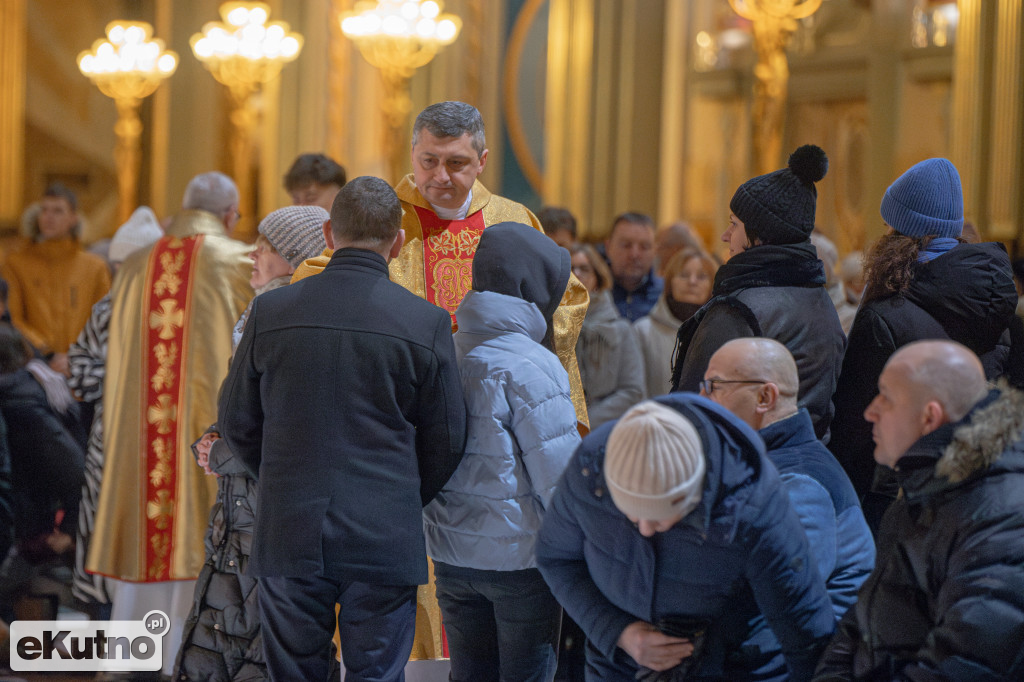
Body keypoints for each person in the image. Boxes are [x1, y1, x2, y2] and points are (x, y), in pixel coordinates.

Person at [217, 176, 467, 682]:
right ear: (397, 243)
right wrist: (401, 493)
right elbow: (448, 437)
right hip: (383, 527)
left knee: (296, 672)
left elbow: (236, 420)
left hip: (290, 523)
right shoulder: (426, 323)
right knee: (376, 674)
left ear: (329, 234)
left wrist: (281, 477)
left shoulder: (272, 310)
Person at [537, 396, 835, 681]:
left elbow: (804, 631)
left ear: (694, 495)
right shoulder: (591, 468)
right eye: (631, 514)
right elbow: (556, 558)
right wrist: (618, 632)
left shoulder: (754, 505)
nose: (645, 529)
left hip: (723, 670)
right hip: (614, 666)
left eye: (658, 517)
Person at [87, 172, 252, 677]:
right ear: (229, 215)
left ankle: (130, 658)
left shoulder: (135, 264)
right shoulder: (241, 263)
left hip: (141, 448)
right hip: (207, 443)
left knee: (148, 531)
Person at [174, 205, 328, 682]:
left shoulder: (285, 318)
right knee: (233, 631)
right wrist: (215, 437)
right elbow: (243, 408)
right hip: (244, 506)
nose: (254, 254)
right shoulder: (261, 311)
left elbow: (280, 422)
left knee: (250, 637)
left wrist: (221, 448)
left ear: (296, 257)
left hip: (264, 507)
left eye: (268, 247)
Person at [423, 222, 581, 682]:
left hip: (451, 555)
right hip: (520, 561)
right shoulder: (533, 363)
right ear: (534, 286)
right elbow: (558, 477)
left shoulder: (445, 350)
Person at [814, 340, 1024, 681]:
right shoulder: (922, 486)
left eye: (886, 397)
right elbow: (860, 622)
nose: (871, 411)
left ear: (929, 417)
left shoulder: (1002, 516)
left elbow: (965, 665)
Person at [828, 158, 1019, 529]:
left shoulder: (885, 314)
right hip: (970, 492)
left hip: (890, 499)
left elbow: (855, 429)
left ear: (902, 232)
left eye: (888, 225)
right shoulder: (994, 305)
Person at [671, 144, 845, 441]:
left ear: (760, 236)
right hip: (804, 456)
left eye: (734, 225)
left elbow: (695, 409)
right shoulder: (821, 300)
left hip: (744, 464)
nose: (726, 236)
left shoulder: (739, 308)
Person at [702, 338, 874, 626]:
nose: (703, 400)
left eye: (715, 387)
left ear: (765, 398)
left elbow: (780, 597)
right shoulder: (762, 459)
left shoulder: (800, 479)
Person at [67, 206, 163, 611]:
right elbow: (78, 371)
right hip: (109, 445)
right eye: (118, 265)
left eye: (131, 264)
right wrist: (121, 378)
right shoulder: (105, 310)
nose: (123, 273)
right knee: (106, 536)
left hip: (158, 445)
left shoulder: (170, 311)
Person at [0, 322, 84, 621]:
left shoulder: (19, 404)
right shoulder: (30, 392)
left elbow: (73, 471)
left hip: (24, 535)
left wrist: (69, 533)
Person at [2, 184, 110, 375]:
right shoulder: (16, 264)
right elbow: (13, 318)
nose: (49, 217)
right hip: (33, 369)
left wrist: (76, 357)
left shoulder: (95, 268)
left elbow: (103, 321)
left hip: (83, 373)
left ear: (73, 218)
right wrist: (47, 353)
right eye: (44, 210)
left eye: (58, 211)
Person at [570, 244, 645, 429]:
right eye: (570, 268)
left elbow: (633, 392)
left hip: (606, 433)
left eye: (584, 269)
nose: (576, 274)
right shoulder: (550, 327)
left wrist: (585, 422)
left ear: (598, 277)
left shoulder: (621, 329)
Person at [635, 248, 717, 398]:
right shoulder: (642, 331)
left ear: (712, 285)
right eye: (684, 275)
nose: (692, 282)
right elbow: (635, 391)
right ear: (670, 281)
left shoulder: (720, 332)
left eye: (701, 276)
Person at [604, 212, 662, 321]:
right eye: (626, 245)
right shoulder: (592, 292)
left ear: (655, 251)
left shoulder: (666, 297)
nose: (634, 255)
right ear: (608, 247)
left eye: (644, 247)